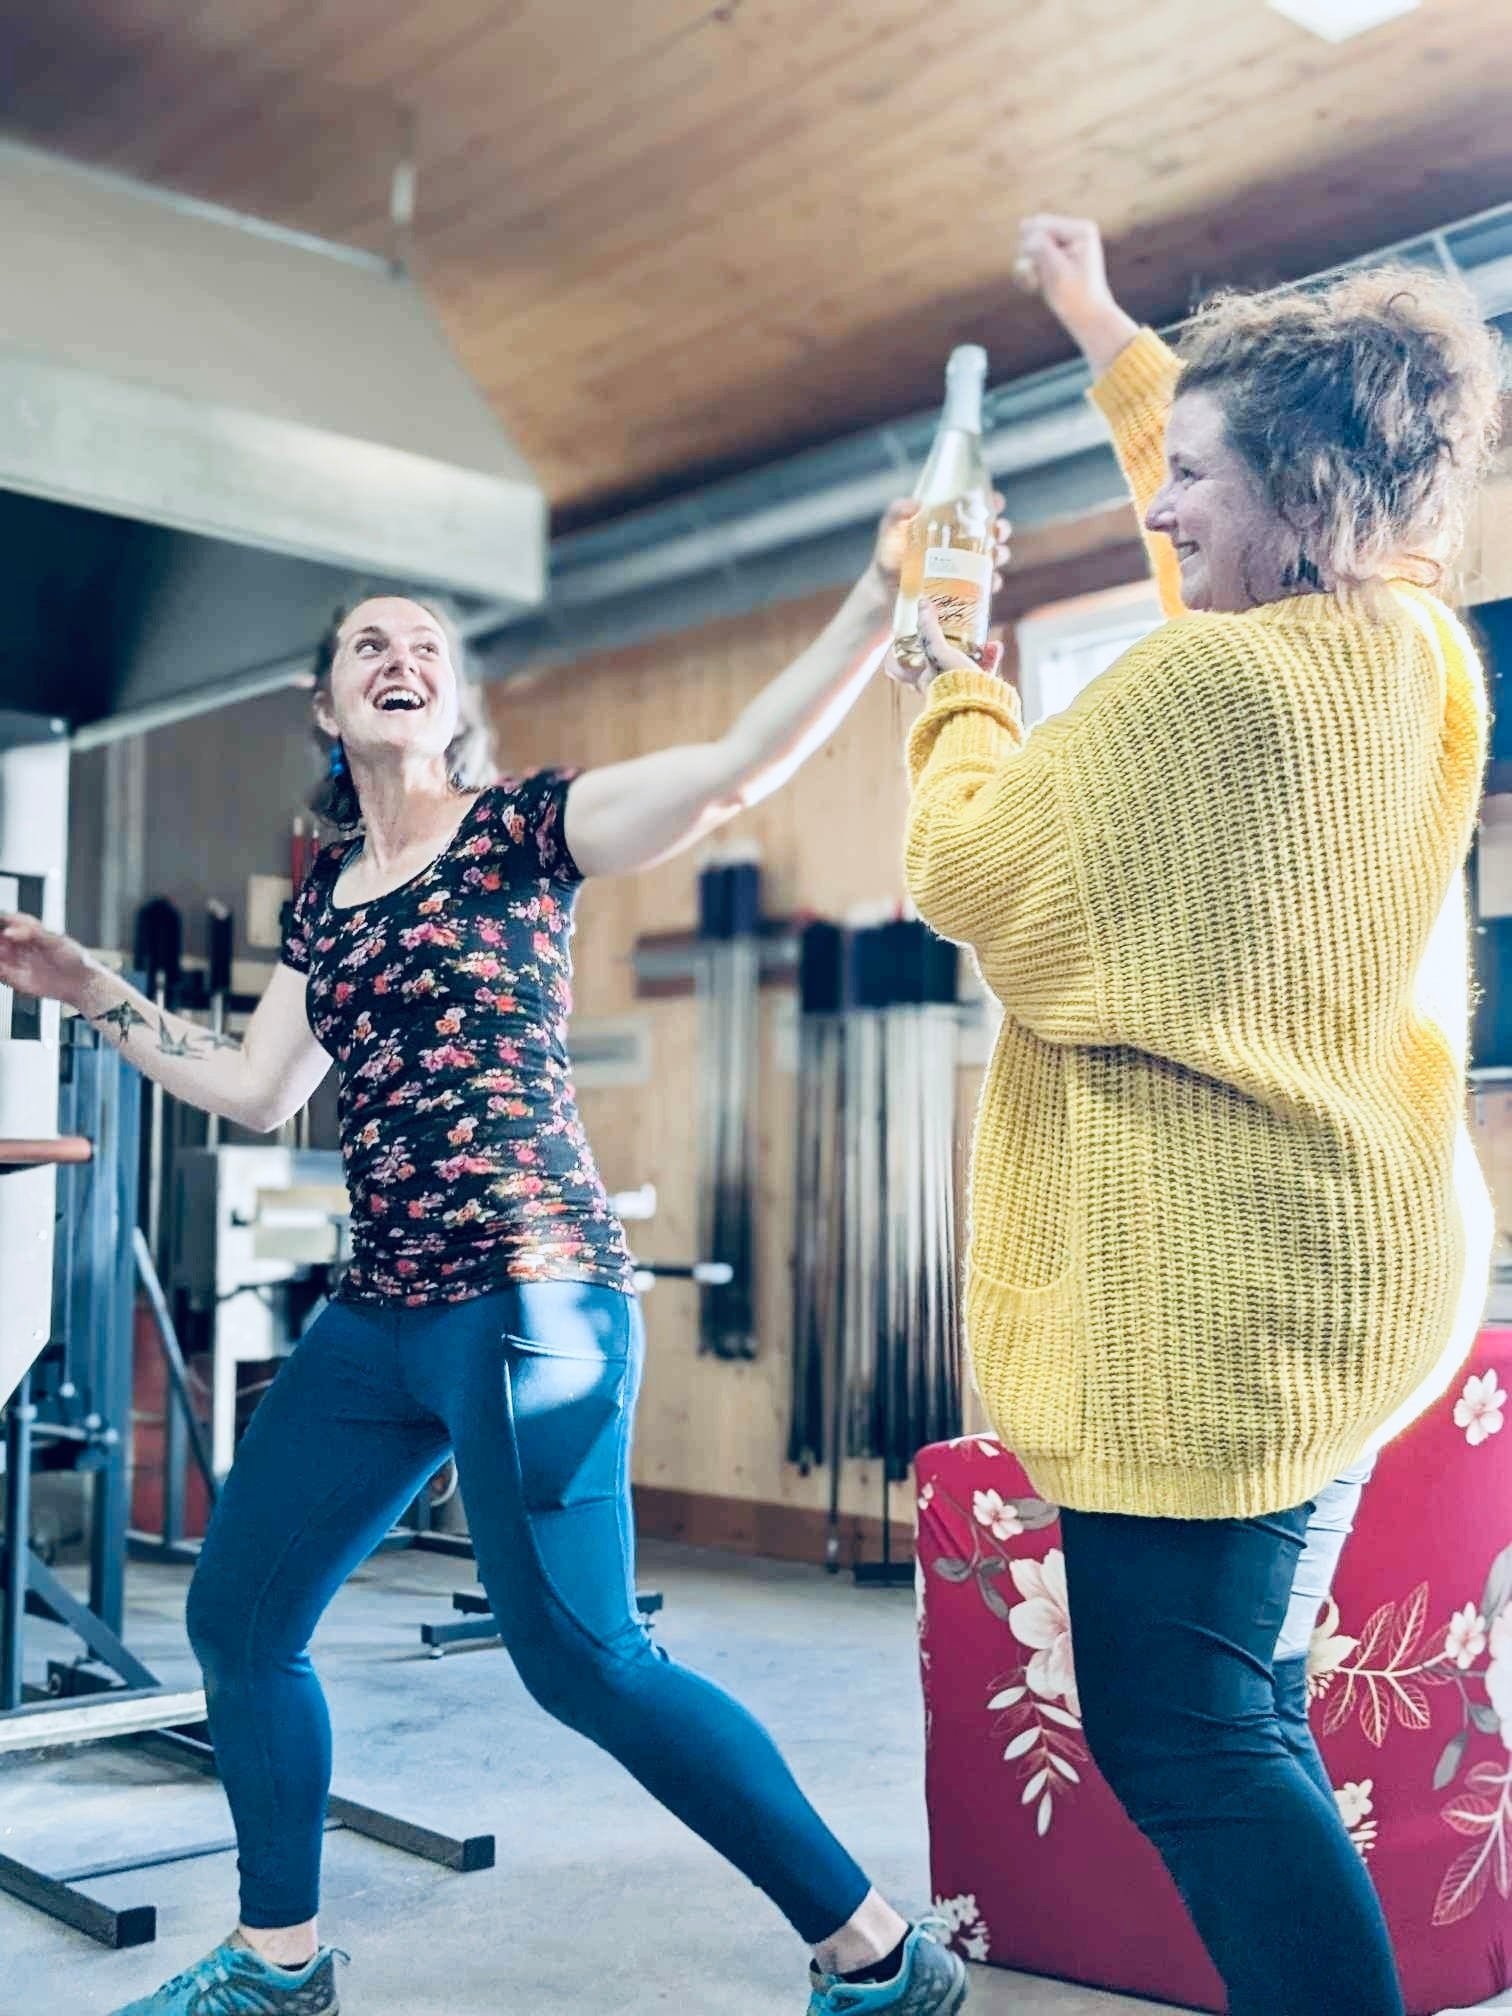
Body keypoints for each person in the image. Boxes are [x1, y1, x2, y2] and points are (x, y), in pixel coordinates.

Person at [0, 492, 1004, 2016]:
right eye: (368, 648)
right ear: (327, 704)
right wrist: (92, 991)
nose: (399, 660)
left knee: (583, 1659)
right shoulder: (327, 906)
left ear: (452, 702)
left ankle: (873, 1951)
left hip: (532, 1290)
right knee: (239, 1618)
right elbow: (255, 1087)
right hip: (380, 1311)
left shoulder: (523, 831)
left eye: (424, 647)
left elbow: (732, 778)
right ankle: (280, 1966)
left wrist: (875, 602)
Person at [893, 211, 1502, 2016]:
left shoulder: (1200, 688)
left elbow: (972, 865)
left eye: (1194, 481)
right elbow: (1223, 514)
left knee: (1192, 1741)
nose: (1161, 510)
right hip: (1369, 1260)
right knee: (1236, 1711)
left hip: (1236, 1299)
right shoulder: (1406, 647)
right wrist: (1096, 320)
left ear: (1305, 488)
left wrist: (953, 698)